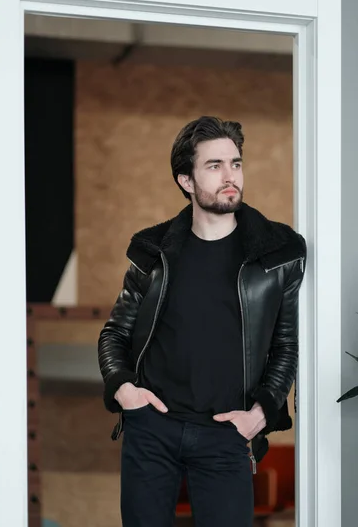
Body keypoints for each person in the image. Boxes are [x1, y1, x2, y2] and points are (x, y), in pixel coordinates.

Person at [98, 116, 307, 527]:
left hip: (227, 434)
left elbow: (286, 346)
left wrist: (259, 416)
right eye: (214, 166)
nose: (230, 176)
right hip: (151, 429)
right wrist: (126, 393)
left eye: (236, 163)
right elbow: (115, 332)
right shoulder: (152, 250)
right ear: (186, 181)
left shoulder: (279, 252)